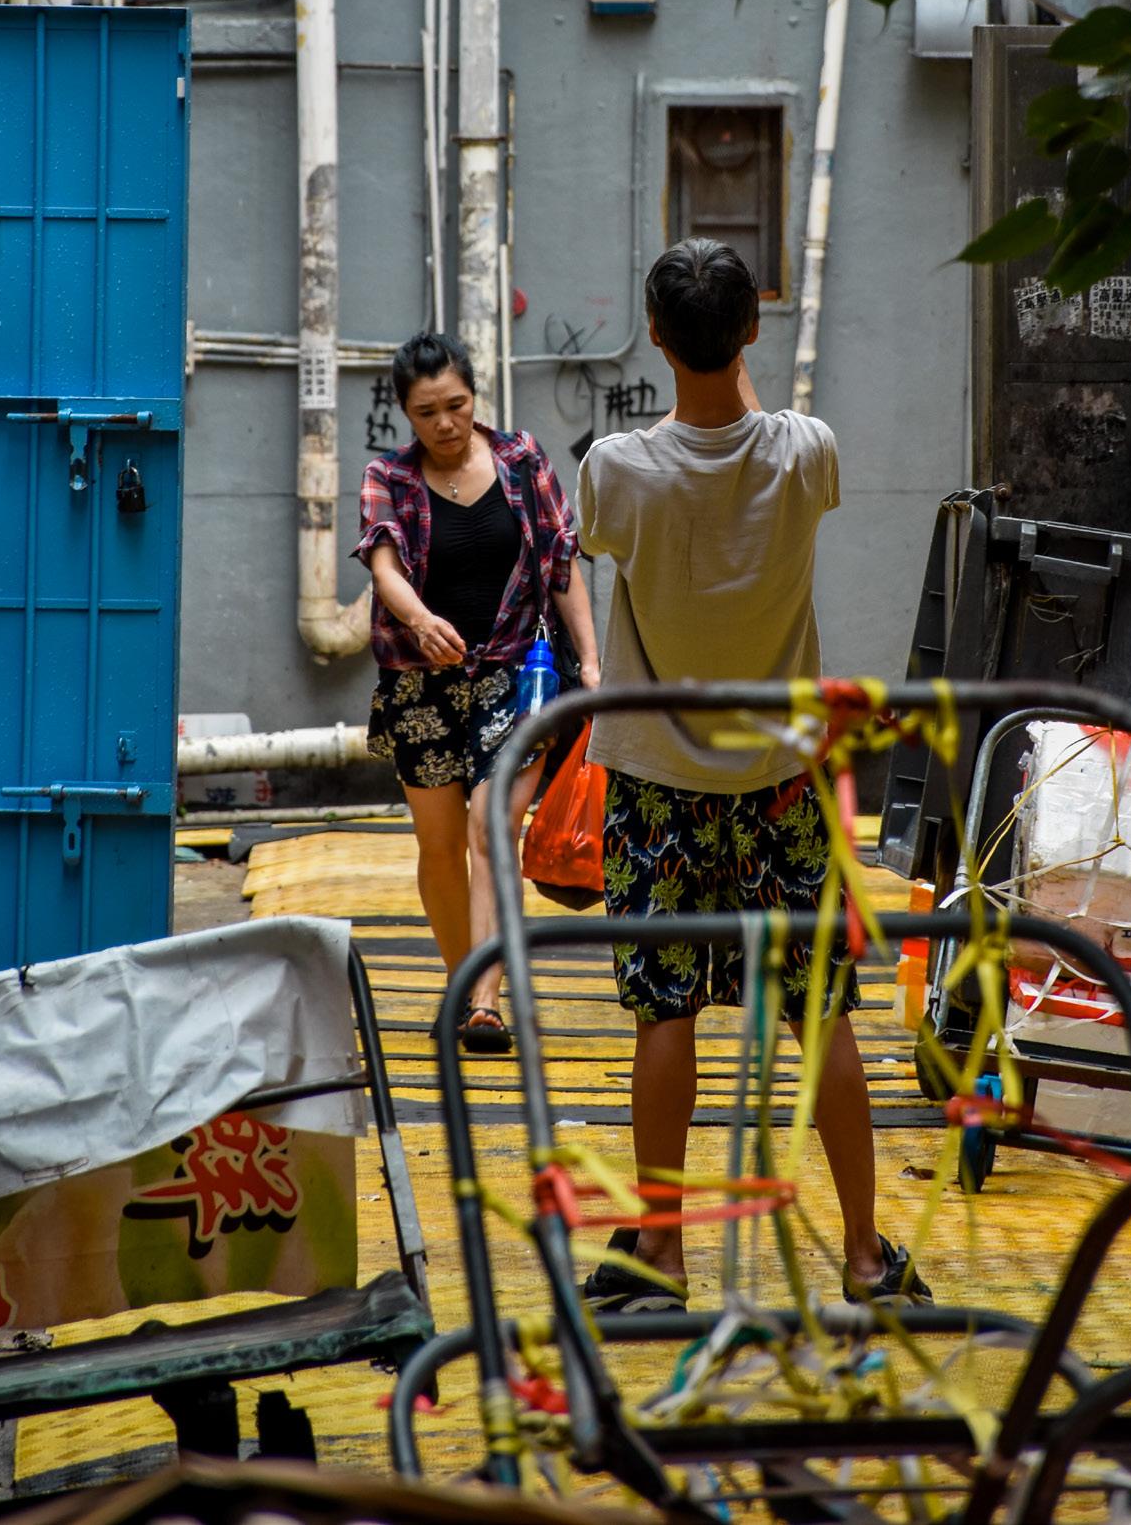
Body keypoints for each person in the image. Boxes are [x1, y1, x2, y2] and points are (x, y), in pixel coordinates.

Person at [574, 240, 931, 1311]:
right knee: (819, 1012)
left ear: (651, 332)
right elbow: (758, 432)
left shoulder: (616, 469)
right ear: (752, 331)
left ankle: (660, 1253)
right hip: (781, 779)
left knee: (664, 1011)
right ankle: (862, 1255)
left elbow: (602, 538)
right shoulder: (805, 451)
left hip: (656, 778)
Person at [355, 330, 599, 1053]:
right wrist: (420, 619)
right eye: (427, 411)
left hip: (516, 678)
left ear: (474, 395)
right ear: (406, 413)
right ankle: (463, 983)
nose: (445, 423)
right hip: (420, 685)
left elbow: (561, 563)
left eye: (456, 404)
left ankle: (486, 1001)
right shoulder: (389, 477)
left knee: (490, 828)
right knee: (437, 846)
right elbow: (383, 564)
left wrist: (592, 662)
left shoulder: (523, 461)